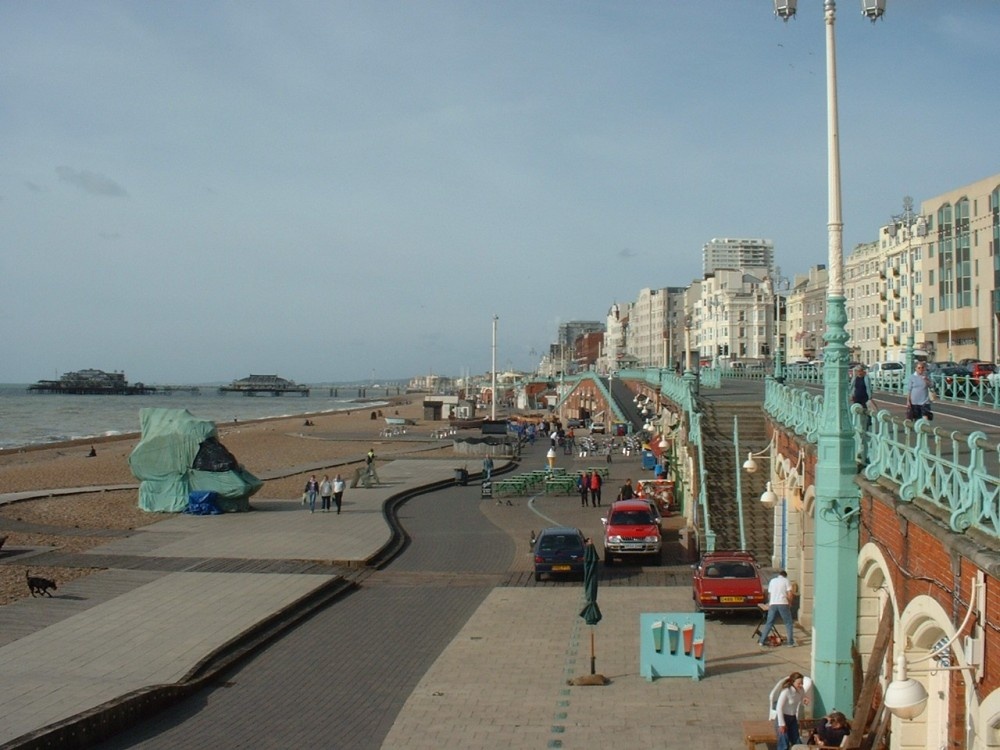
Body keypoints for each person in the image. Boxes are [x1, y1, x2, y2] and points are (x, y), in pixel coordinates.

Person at [759, 570, 796, 647]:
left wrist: (770, 602)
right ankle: (790, 642)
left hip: (773, 603)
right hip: (783, 603)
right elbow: (790, 594)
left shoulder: (772, 581)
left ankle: (761, 641)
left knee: (769, 623)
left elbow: (769, 594)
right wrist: (790, 603)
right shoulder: (786, 581)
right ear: (785, 576)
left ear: (779, 575)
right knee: (788, 623)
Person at [774, 672, 809, 750]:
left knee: (796, 740)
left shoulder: (801, 690)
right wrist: (782, 724)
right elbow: (779, 708)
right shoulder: (786, 691)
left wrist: (804, 699)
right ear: (793, 682)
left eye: (802, 683)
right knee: (784, 742)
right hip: (784, 717)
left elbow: (802, 697)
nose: (801, 685)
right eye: (799, 683)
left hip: (792, 718)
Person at [848, 364, 875, 428]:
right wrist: (851, 395)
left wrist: (870, 396)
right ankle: (857, 424)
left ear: (863, 371)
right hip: (856, 397)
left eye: (860, 371)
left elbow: (869, 387)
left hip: (864, 397)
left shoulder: (866, 378)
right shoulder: (855, 378)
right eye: (858, 371)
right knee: (856, 410)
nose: (859, 373)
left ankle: (867, 422)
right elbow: (852, 387)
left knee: (865, 410)